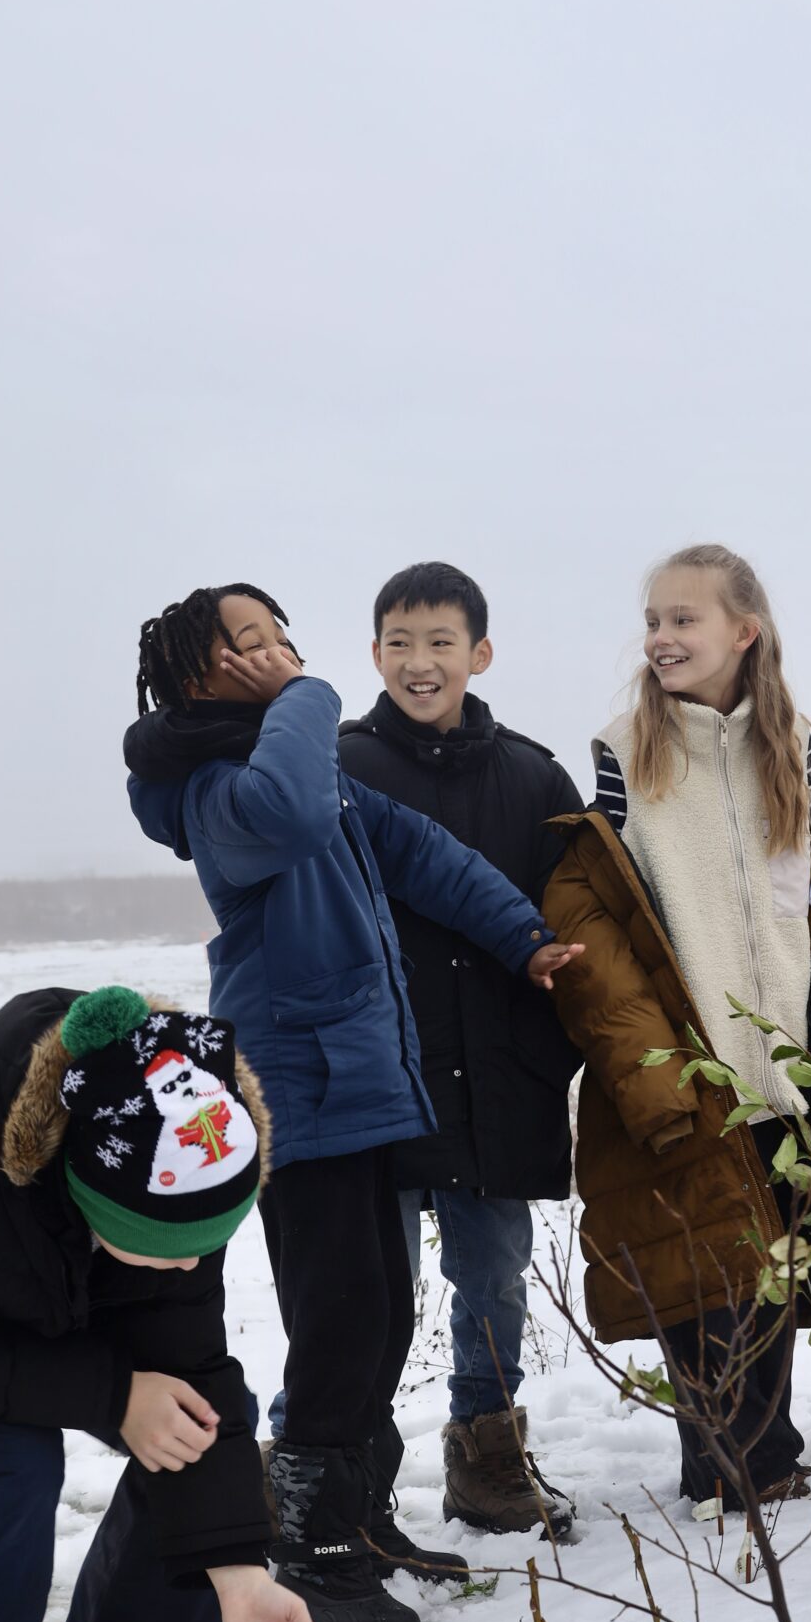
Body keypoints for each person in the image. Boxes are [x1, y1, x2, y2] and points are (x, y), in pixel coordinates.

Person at [125, 586, 581, 1622]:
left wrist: (524, 937)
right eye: (251, 644)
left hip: (366, 1078)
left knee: (379, 1313)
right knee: (337, 1321)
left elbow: (422, 853)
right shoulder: (216, 786)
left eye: (283, 636)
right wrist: (310, 689)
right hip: (296, 1083)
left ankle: (358, 1521)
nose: (279, 653)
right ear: (201, 676)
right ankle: (312, 1546)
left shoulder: (300, 761)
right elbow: (284, 814)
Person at [544, 543, 811, 1513]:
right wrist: (654, 1072)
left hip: (784, 1070)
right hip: (687, 1073)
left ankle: (765, 1454)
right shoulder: (622, 755)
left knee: (778, 1274)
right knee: (701, 1280)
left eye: (683, 619)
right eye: (653, 619)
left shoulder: (798, 747)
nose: (660, 636)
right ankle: (730, 1466)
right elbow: (592, 912)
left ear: (744, 630)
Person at [0, 984, 317, 1622]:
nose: (190, 1268)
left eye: (204, 1249)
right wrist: (109, 1393)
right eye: (165, 1251)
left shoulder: (178, 1138)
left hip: (56, 1307)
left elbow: (193, 1364)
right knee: (16, 1467)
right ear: (90, 1194)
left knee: (204, 1415)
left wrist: (240, 1576)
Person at [336, 560, 585, 1536]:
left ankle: (486, 1454)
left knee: (491, 1276)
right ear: (374, 654)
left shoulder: (532, 774)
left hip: (495, 1075)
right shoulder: (339, 767)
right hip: (374, 1076)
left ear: (479, 652)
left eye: (441, 641)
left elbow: (579, 912)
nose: (419, 661)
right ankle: (335, 1465)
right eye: (400, 642)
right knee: (365, 1287)